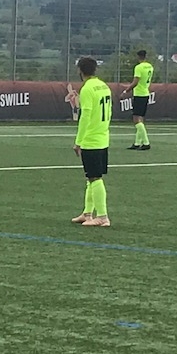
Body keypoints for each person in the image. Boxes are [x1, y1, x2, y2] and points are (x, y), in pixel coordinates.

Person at [72, 56, 112, 227]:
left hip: (91, 139)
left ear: (80, 70)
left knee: (95, 178)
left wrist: (78, 141)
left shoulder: (87, 89)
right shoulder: (103, 86)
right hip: (102, 136)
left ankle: (102, 216)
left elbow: (85, 116)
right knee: (91, 177)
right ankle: (87, 213)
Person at [121, 49, 154, 150]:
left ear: (138, 57)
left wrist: (126, 91)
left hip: (139, 94)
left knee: (136, 119)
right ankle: (137, 142)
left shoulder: (139, 67)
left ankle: (146, 142)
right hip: (146, 93)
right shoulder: (150, 66)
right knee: (141, 119)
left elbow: (135, 82)